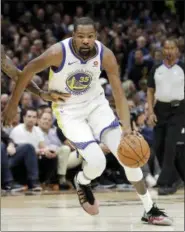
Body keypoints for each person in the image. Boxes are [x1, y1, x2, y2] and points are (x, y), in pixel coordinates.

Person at [2, 17, 172, 225]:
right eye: (81, 36)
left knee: (126, 154)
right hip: (69, 111)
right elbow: (27, 70)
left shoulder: (105, 55)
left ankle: (149, 209)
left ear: (95, 37)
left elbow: (118, 93)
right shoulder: (58, 52)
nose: (85, 41)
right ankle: (82, 181)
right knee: (97, 163)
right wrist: (14, 104)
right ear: (73, 36)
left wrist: (126, 128)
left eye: (89, 37)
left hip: (96, 105)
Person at [147, 39, 185, 195]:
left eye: (172, 48)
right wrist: (150, 111)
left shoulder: (182, 67)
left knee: (170, 144)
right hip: (160, 109)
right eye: (166, 47)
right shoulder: (156, 68)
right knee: (158, 147)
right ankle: (176, 178)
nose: (169, 50)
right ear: (163, 50)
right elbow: (150, 91)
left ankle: (165, 182)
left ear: (177, 50)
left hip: (179, 110)